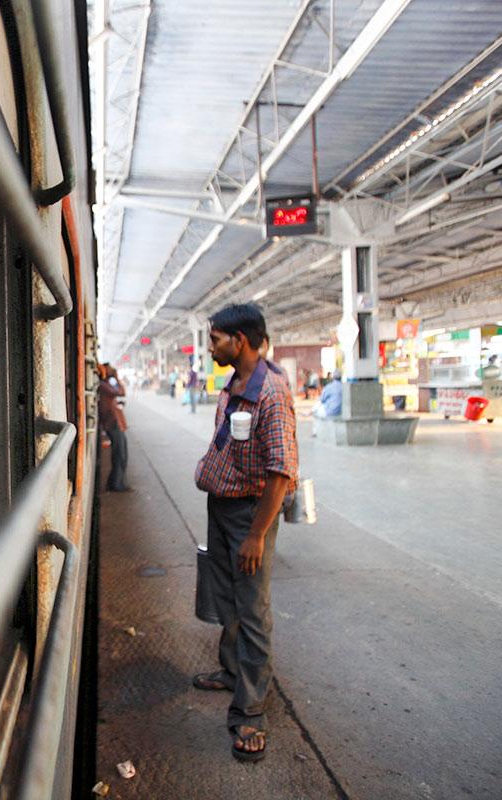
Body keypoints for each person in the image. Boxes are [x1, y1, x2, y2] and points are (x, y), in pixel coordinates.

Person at [190, 303, 297, 764]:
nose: (210, 346)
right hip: (222, 506)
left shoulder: (270, 394)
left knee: (252, 607)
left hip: (249, 514)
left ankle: (251, 712)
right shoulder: (235, 385)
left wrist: (256, 535)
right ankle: (233, 670)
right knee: (228, 596)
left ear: (241, 340)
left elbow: (281, 473)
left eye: (215, 338)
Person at [98, 363, 131, 492]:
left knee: (122, 452)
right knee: (119, 453)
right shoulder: (103, 386)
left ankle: (118, 482)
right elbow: (121, 392)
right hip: (112, 423)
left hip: (114, 422)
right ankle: (116, 484)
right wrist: (116, 378)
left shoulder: (105, 384)